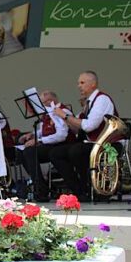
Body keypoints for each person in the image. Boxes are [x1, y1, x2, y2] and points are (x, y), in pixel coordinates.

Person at [49, 71, 118, 201]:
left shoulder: (102, 99)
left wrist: (65, 116)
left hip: (107, 144)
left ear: (93, 84)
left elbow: (89, 126)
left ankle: (89, 187)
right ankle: (79, 190)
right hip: (93, 144)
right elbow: (77, 130)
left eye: (82, 82)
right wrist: (62, 119)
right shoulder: (88, 103)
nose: (79, 86)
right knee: (55, 153)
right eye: (78, 83)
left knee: (76, 151)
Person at [17, 90, 73, 201]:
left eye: (41, 103)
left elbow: (61, 135)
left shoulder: (62, 111)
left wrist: (39, 141)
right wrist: (32, 134)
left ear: (49, 101)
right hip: (50, 144)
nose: (40, 107)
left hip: (62, 145)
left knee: (30, 151)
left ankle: (41, 189)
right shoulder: (48, 114)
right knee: (21, 152)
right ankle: (40, 184)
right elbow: (44, 130)